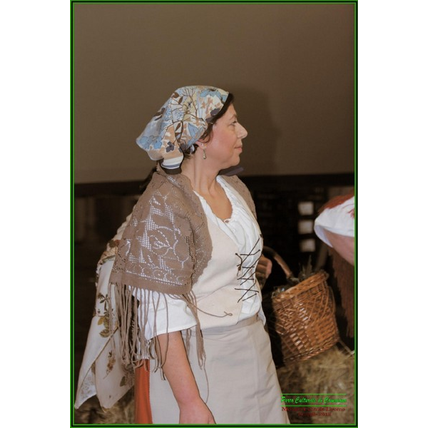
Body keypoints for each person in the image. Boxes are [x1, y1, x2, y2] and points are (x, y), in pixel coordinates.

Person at [77, 86, 288, 424]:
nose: (243, 131)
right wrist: (189, 402)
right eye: (233, 123)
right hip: (199, 362)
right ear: (201, 137)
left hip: (253, 349)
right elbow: (161, 315)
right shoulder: (164, 206)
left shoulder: (235, 190)